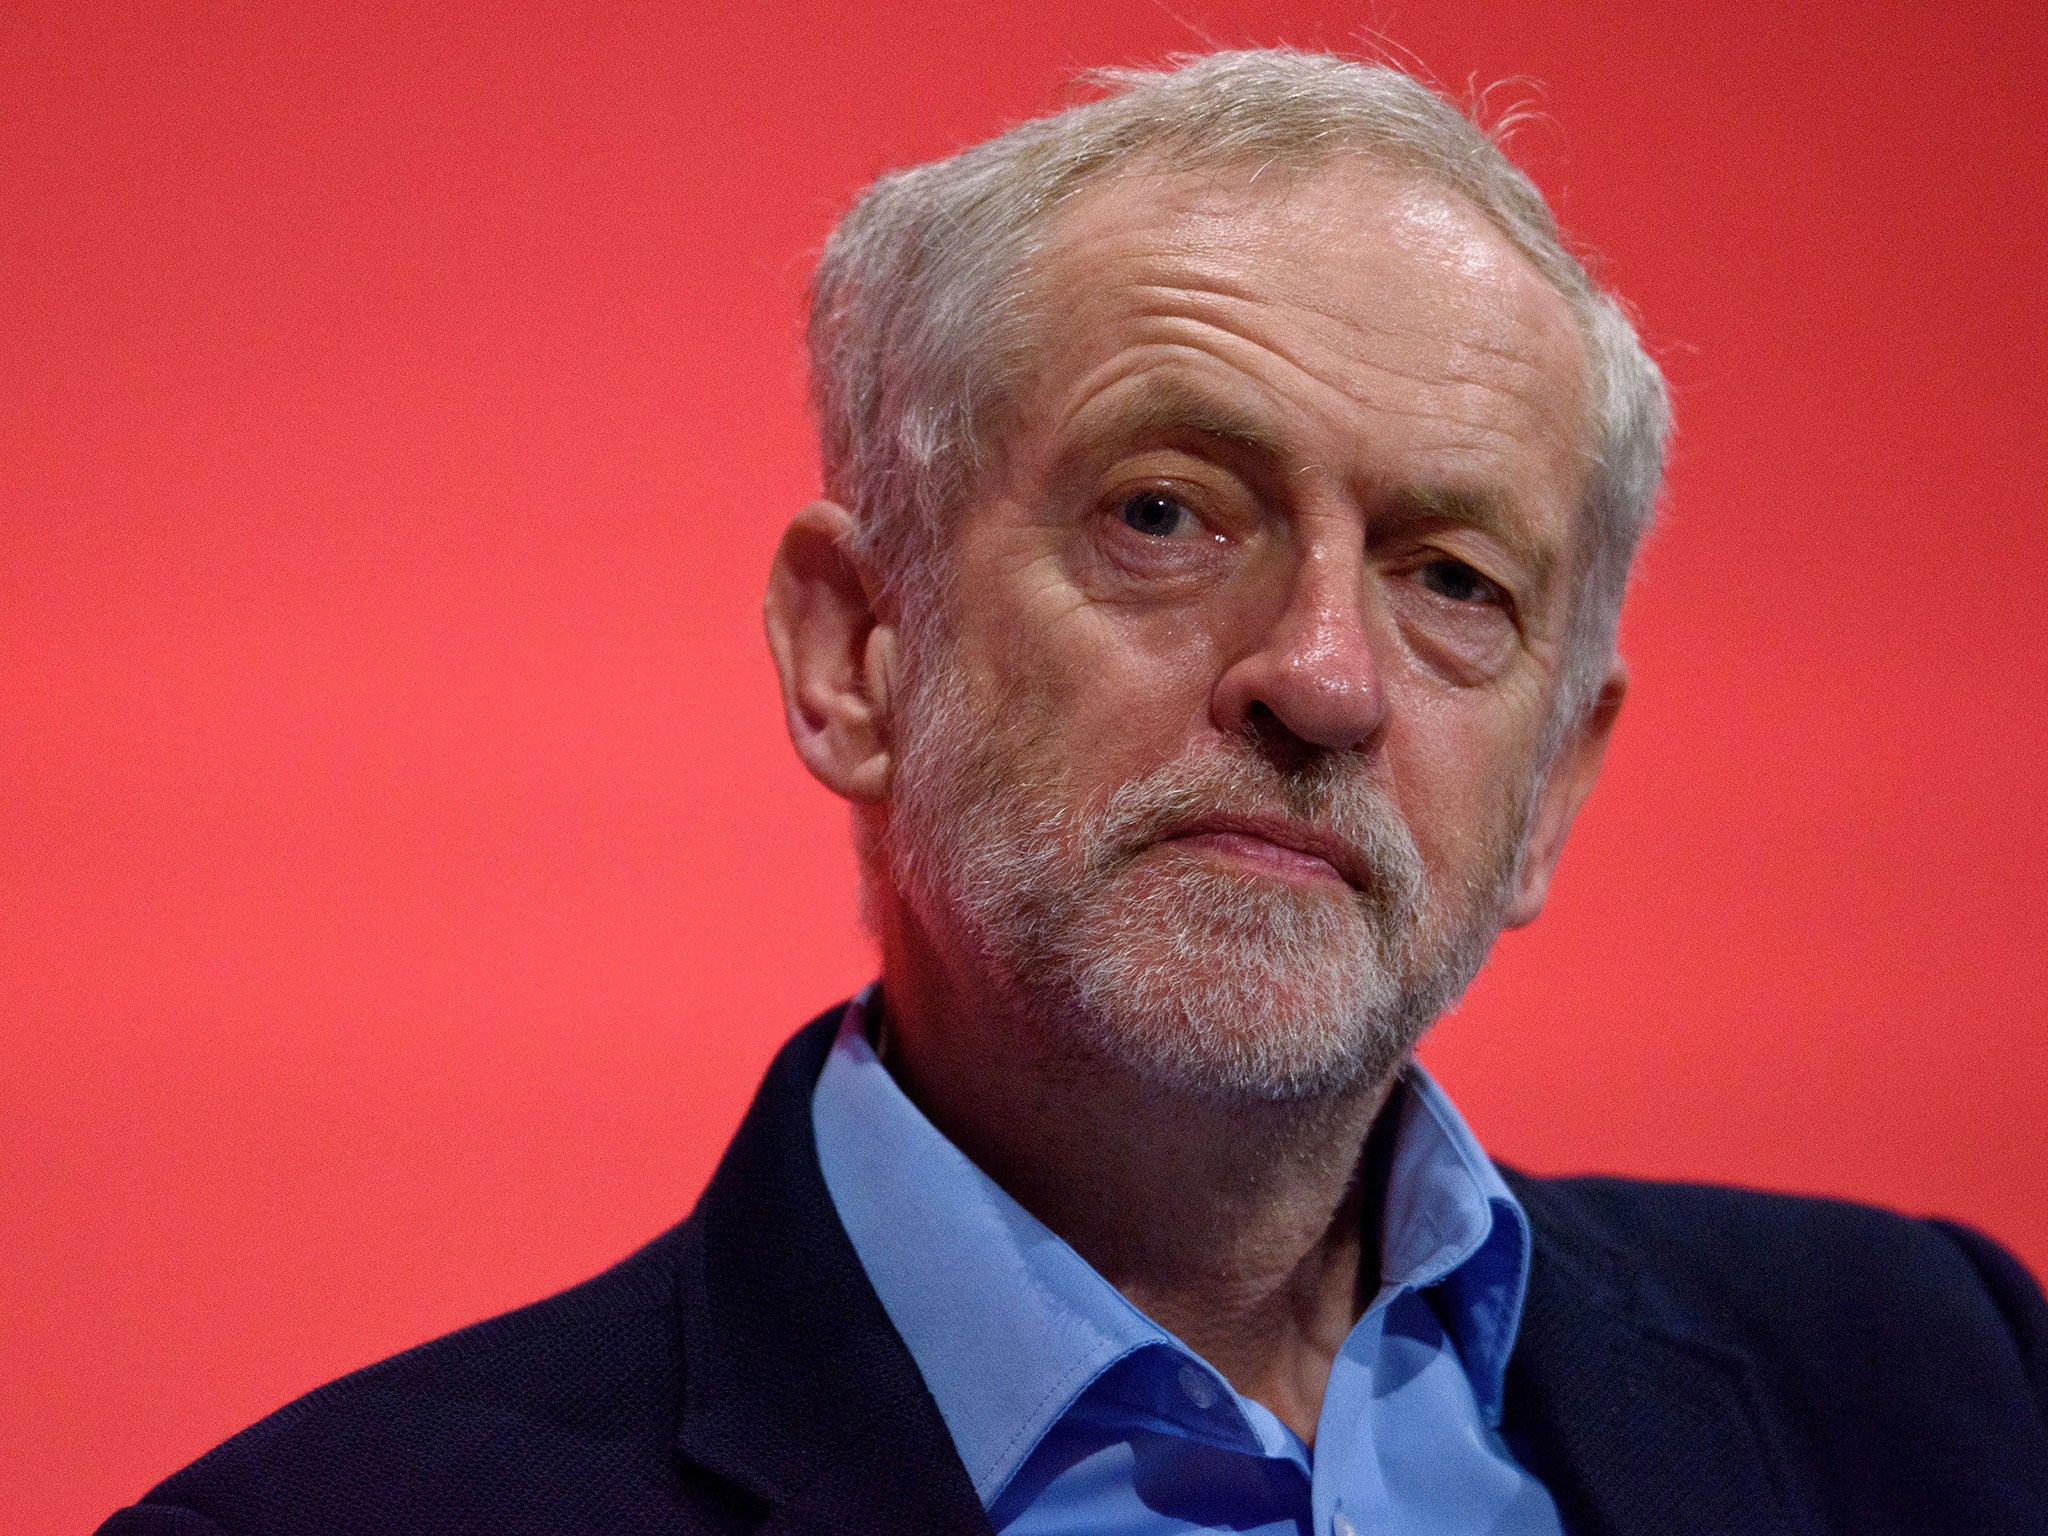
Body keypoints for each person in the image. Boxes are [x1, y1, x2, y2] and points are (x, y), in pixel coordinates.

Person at [99, 49, 2046, 1536]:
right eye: (1166, 513)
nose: (1323, 675)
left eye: (1453, 579)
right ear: (857, 648)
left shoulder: (1944, 1389)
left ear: (1551, 786)